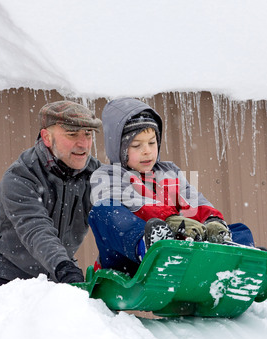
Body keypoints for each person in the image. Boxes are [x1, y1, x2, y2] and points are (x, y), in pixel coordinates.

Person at [89, 98, 255, 276]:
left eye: (152, 143)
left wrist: (212, 220)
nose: (147, 151)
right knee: (103, 211)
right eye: (137, 145)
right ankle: (149, 246)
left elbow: (192, 201)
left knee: (239, 229)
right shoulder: (106, 175)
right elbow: (135, 204)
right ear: (118, 149)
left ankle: (235, 257)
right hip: (128, 259)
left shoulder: (169, 171)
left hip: (177, 248)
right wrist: (169, 220)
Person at [0, 100, 102, 287]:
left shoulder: (95, 175)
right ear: (46, 137)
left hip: (56, 276)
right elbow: (36, 230)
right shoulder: (20, 177)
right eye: (72, 134)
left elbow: (116, 217)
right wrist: (64, 267)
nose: (84, 144)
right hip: (7, 278)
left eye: (88, 134)